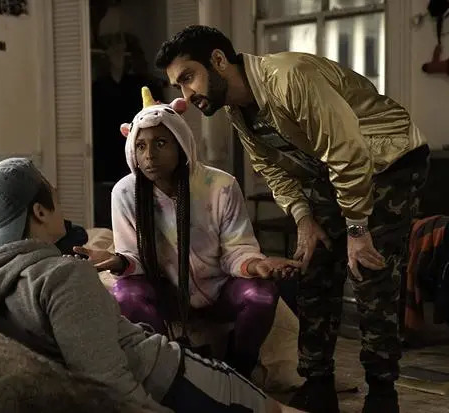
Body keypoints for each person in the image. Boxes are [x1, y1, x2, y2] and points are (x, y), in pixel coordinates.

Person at [154, 25, 430, 413]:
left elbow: (347, 150)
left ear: (218, 60)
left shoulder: (289, 77)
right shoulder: (237, 110)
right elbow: (272, 167)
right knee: (314, 264)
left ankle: (382, 394)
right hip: (332, 168)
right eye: (178, 86)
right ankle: (317, 385)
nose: (186, 95)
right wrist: (304, 218)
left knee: (370, 273)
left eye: (188, 78)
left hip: (389, 161)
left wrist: (356, 229)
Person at [0, 157, 304, 413]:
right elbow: (110, 383)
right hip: (172, 375)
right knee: (276, 410)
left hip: (161, 365)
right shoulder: (64, 277)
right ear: (39, 211)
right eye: (53, 192)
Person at [75, 87, 301, 378]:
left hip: (219, 293)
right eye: (140, 146)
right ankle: (167, 371)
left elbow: (237, 249)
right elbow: (134, 256)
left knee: (261, 296)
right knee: (125, 293)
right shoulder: (125, 192)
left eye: (160, 143)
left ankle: (237, 372)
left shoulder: (221, 186)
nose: (149, 155)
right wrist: (118, 261)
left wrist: (258, 265)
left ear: (181, 143)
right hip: (165, 296)